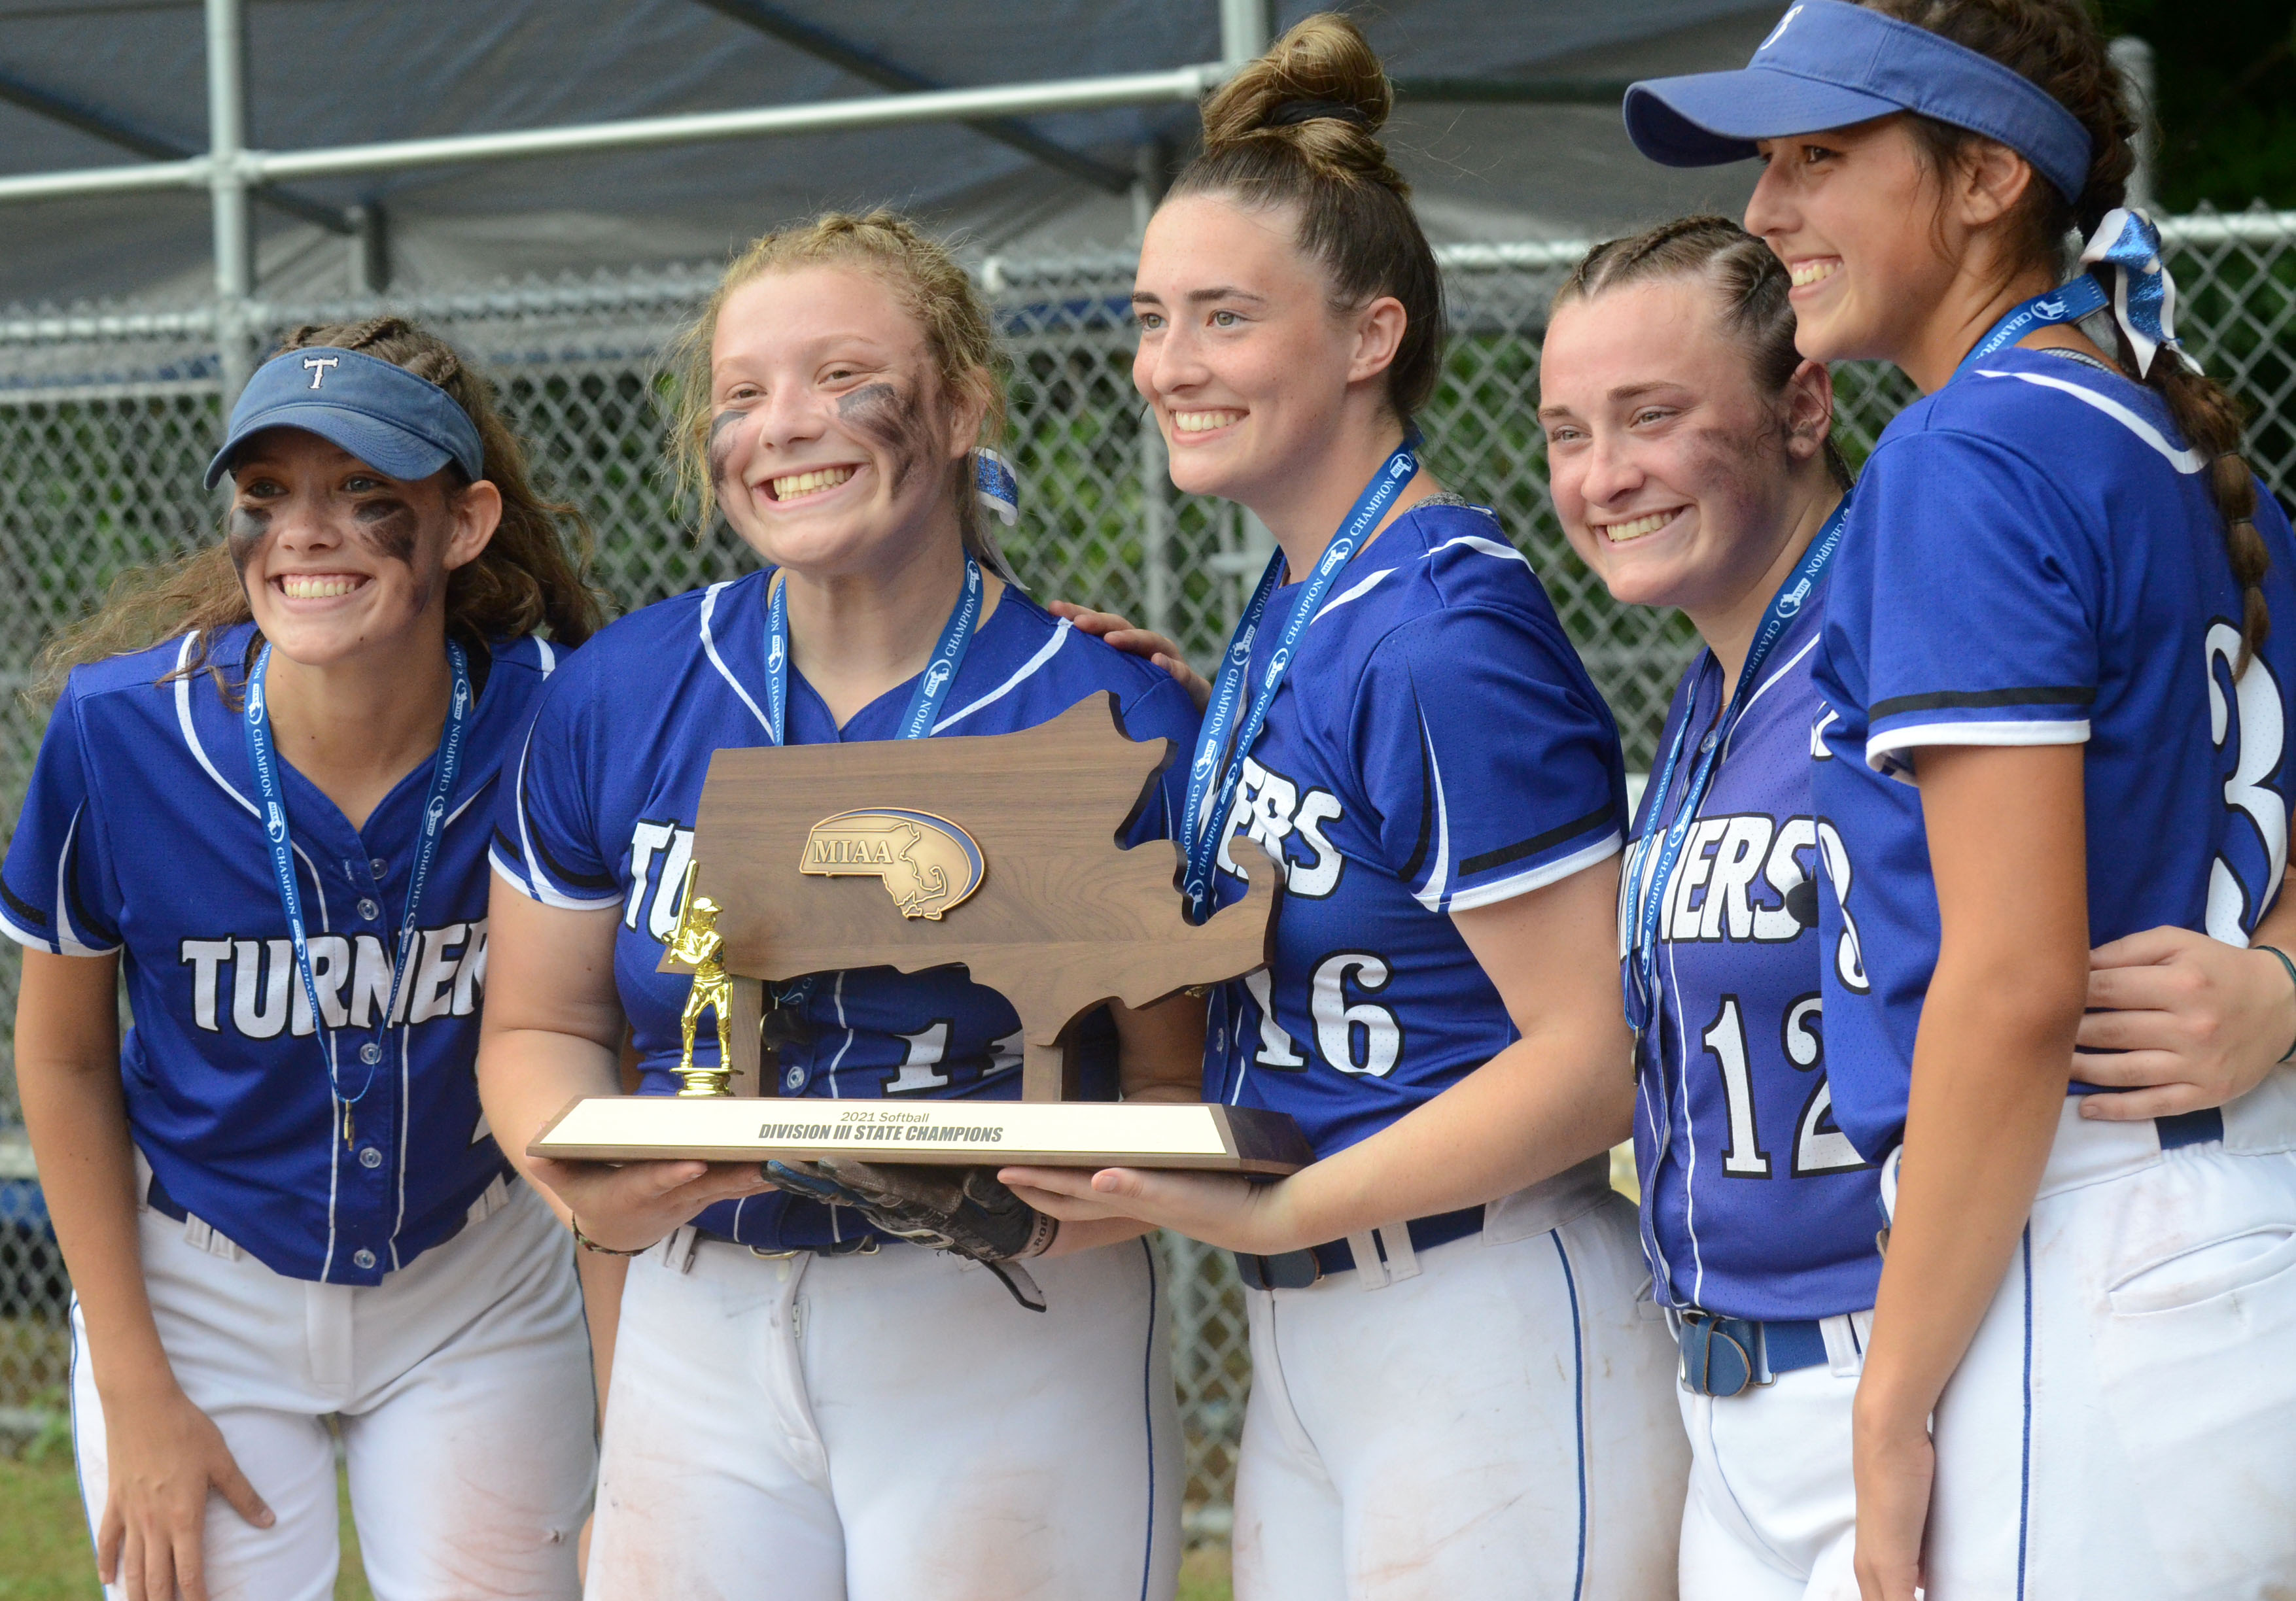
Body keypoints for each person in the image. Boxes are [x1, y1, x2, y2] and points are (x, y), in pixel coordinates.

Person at [1004, 17, 1688, 1599]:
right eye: (1153, 318)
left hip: (1485, 1314)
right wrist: (1202, 724)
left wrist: (1279, 1207)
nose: (1169, 364)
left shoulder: (1442, 631)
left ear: (1370, 335)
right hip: (1326, 1333)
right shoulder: (1306, 600)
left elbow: (1595, 1057)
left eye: (1226, 317)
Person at [1624, 3, 2296, 1596]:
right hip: (2220, 1218)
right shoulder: (2166, 433)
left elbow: (2008, 986)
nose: (1766, 209)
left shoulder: (1963, 456)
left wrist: (1891, 1402)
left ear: (1989, 178)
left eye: (1821, 157)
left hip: (2070, 1233)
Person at [476, 209, 1204, 1601]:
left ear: (962, 405)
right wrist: (580, 1175)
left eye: (842, 377)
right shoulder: (621, 691)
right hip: (699, 1308)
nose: (785, 425)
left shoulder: (1102, 710)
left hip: (1008, 1315)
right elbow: (538, 1026)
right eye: (743, 392)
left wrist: (1063, 1214)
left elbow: (1176, 1086)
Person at [5, 319, 604, 1601]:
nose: (304, 532)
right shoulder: (120, 733)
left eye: (365, 491)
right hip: (199, 1286)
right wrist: (135, 1387)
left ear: (465, 522)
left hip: (475, 1277)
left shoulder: (565, 716)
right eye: (267, 492)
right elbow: (61, 1059)